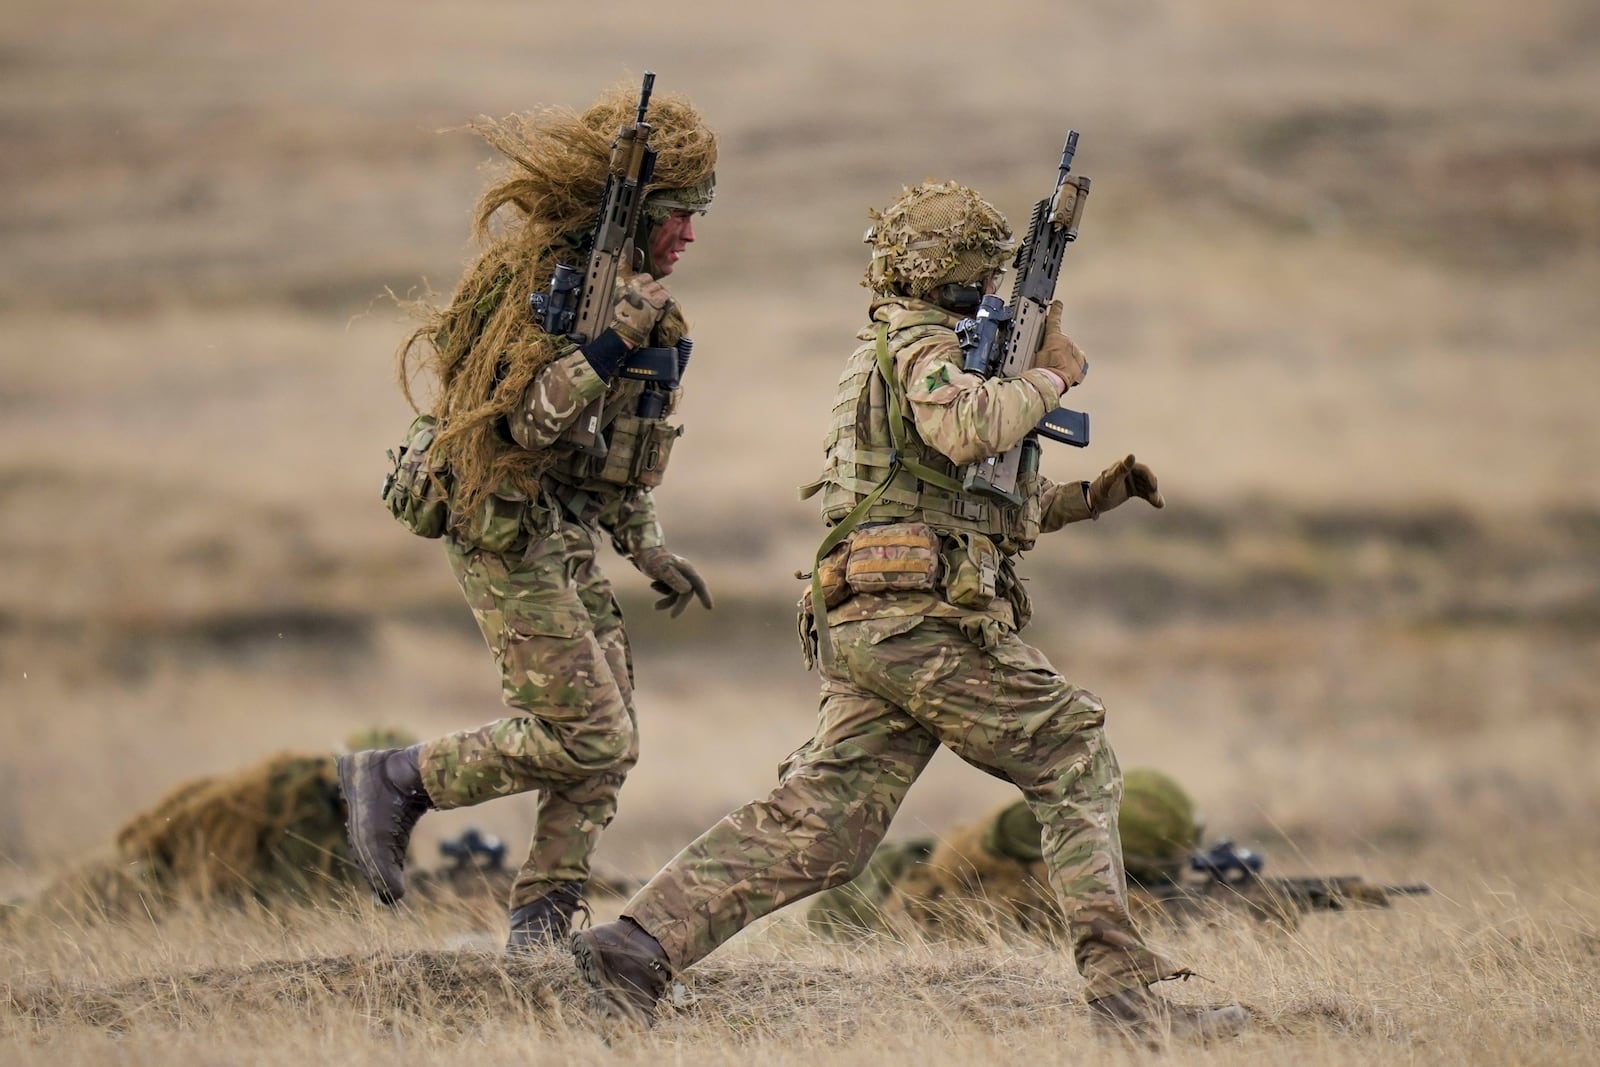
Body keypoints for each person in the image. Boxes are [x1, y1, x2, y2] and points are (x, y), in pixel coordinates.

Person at [570, 180, 1248, 1043]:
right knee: (1072, 746)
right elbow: (968, 433)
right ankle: (1124, 999)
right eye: (984, 262)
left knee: (823, 823)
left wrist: (1094, 495)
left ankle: (633, 948)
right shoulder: (922, 344)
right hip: (913, 619)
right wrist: (1052, 372)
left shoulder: (904, 348)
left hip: (876, 620)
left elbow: (968, 500)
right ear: (957, 267)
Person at [338, 83, 718, 954]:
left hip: (562, 524)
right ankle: (397, 777)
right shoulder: (546, 287)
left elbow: (619, 448)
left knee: (608, 741)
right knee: (584, 729)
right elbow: (526, 423)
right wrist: (611, 340)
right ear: (640, 215)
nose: (690, 235)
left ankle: (539, 938)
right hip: (498, 517)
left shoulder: (649, 301)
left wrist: (649, 548)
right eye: (679, 216)